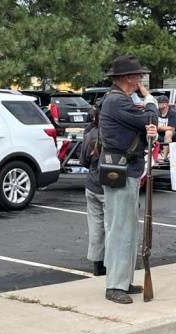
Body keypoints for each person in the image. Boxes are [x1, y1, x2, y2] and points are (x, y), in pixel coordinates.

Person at [99, 55, 158, 304]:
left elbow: (143, 126)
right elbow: (148, 117)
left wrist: (149, 129)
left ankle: (122, 280)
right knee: (120, 230)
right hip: (120, 170)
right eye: (137, 76)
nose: (140, 79)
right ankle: (114, 285)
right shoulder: (116, 101)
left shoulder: (120, 100)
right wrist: (151, 100)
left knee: (128, 230)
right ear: (125, 78)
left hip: (126, 169)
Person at [79, 106, 106, 276]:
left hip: (92, 184)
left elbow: (83, 161)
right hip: (108, 187)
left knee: (96, 227)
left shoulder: (89, 134)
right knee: (112, 227)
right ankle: (111, 263)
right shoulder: (112, 135)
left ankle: (97, 264)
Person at [156, 95, 176, 161]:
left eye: (159, 103)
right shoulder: (157, 112)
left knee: (168, 133)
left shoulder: (172, 113)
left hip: (174, 133)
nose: (158, 104)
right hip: (159, 132)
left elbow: (172, 128)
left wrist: (158, 128)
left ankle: (164, 157)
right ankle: (153, 154)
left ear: (165, 104)